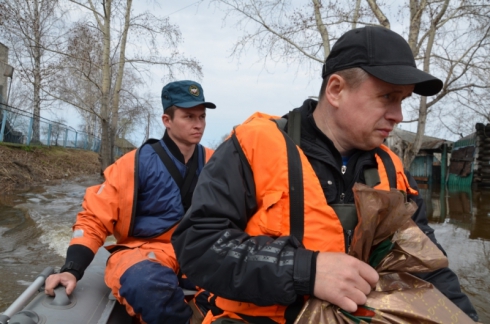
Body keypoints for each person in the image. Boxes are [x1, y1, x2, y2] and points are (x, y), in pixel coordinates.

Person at [172, 27, 479, 323]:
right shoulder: (253, 147)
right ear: (336, 90)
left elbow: (428, 269)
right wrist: (306, 270)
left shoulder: (392, 171)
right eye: (388, 97)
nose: (398, 115)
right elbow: (198, 248)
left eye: (402, 100)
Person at [44, 80, 216, 324]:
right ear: (167, 120)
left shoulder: (215, 163)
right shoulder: (132, 164)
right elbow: (94, 217)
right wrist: (72, 268)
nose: (198, 124)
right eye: (188, 116)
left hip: (198, 250)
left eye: (202, 116)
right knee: (146, 285)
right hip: (145, 250)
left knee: (238, 282)